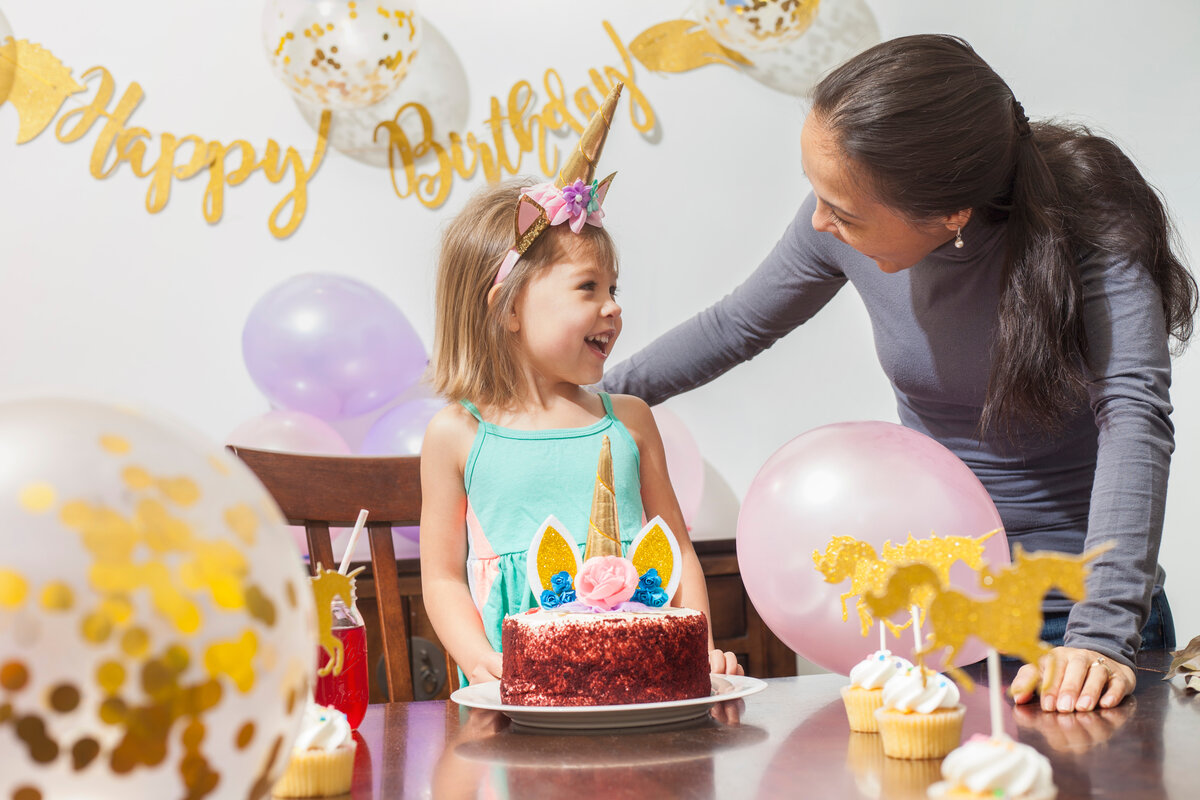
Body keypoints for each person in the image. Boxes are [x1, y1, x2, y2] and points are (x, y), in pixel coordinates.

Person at [602, 35, 1195, 713]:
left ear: (951, 215)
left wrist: (1101, 636)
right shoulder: (834, 220)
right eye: (816, 195)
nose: (820, 222)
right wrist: (581, 403)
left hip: (1069, 628)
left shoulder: (1090, 221)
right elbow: (736, 326)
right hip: (935, 621)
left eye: (845, 212)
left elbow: (1134, 418)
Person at [420, 85, 742, 686]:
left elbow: (676, 550)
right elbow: (440, 576)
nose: (613, 308)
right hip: (519, 693)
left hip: (640, 683)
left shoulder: (631, 420)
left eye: (615, 289)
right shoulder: (459, 434)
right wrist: (478, 662)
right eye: (588, 288)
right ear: (508, 308)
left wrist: (698, 647)